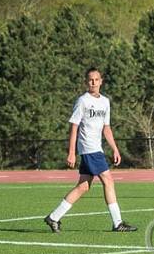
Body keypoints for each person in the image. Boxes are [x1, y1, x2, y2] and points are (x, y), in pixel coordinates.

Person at [44, 68, 137, 232]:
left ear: (101, 81)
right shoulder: (83, 101)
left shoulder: (105, 102)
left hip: (97, 148)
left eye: (96, 79)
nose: (93, 82)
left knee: (83, 186)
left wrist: (115, 149)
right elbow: (74, 126)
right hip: (89, 148)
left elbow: (106, 128)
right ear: (86, 82)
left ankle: (53, 217)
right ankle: (118, 223)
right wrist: (72, 152)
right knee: (108, 180)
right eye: (90, 80)